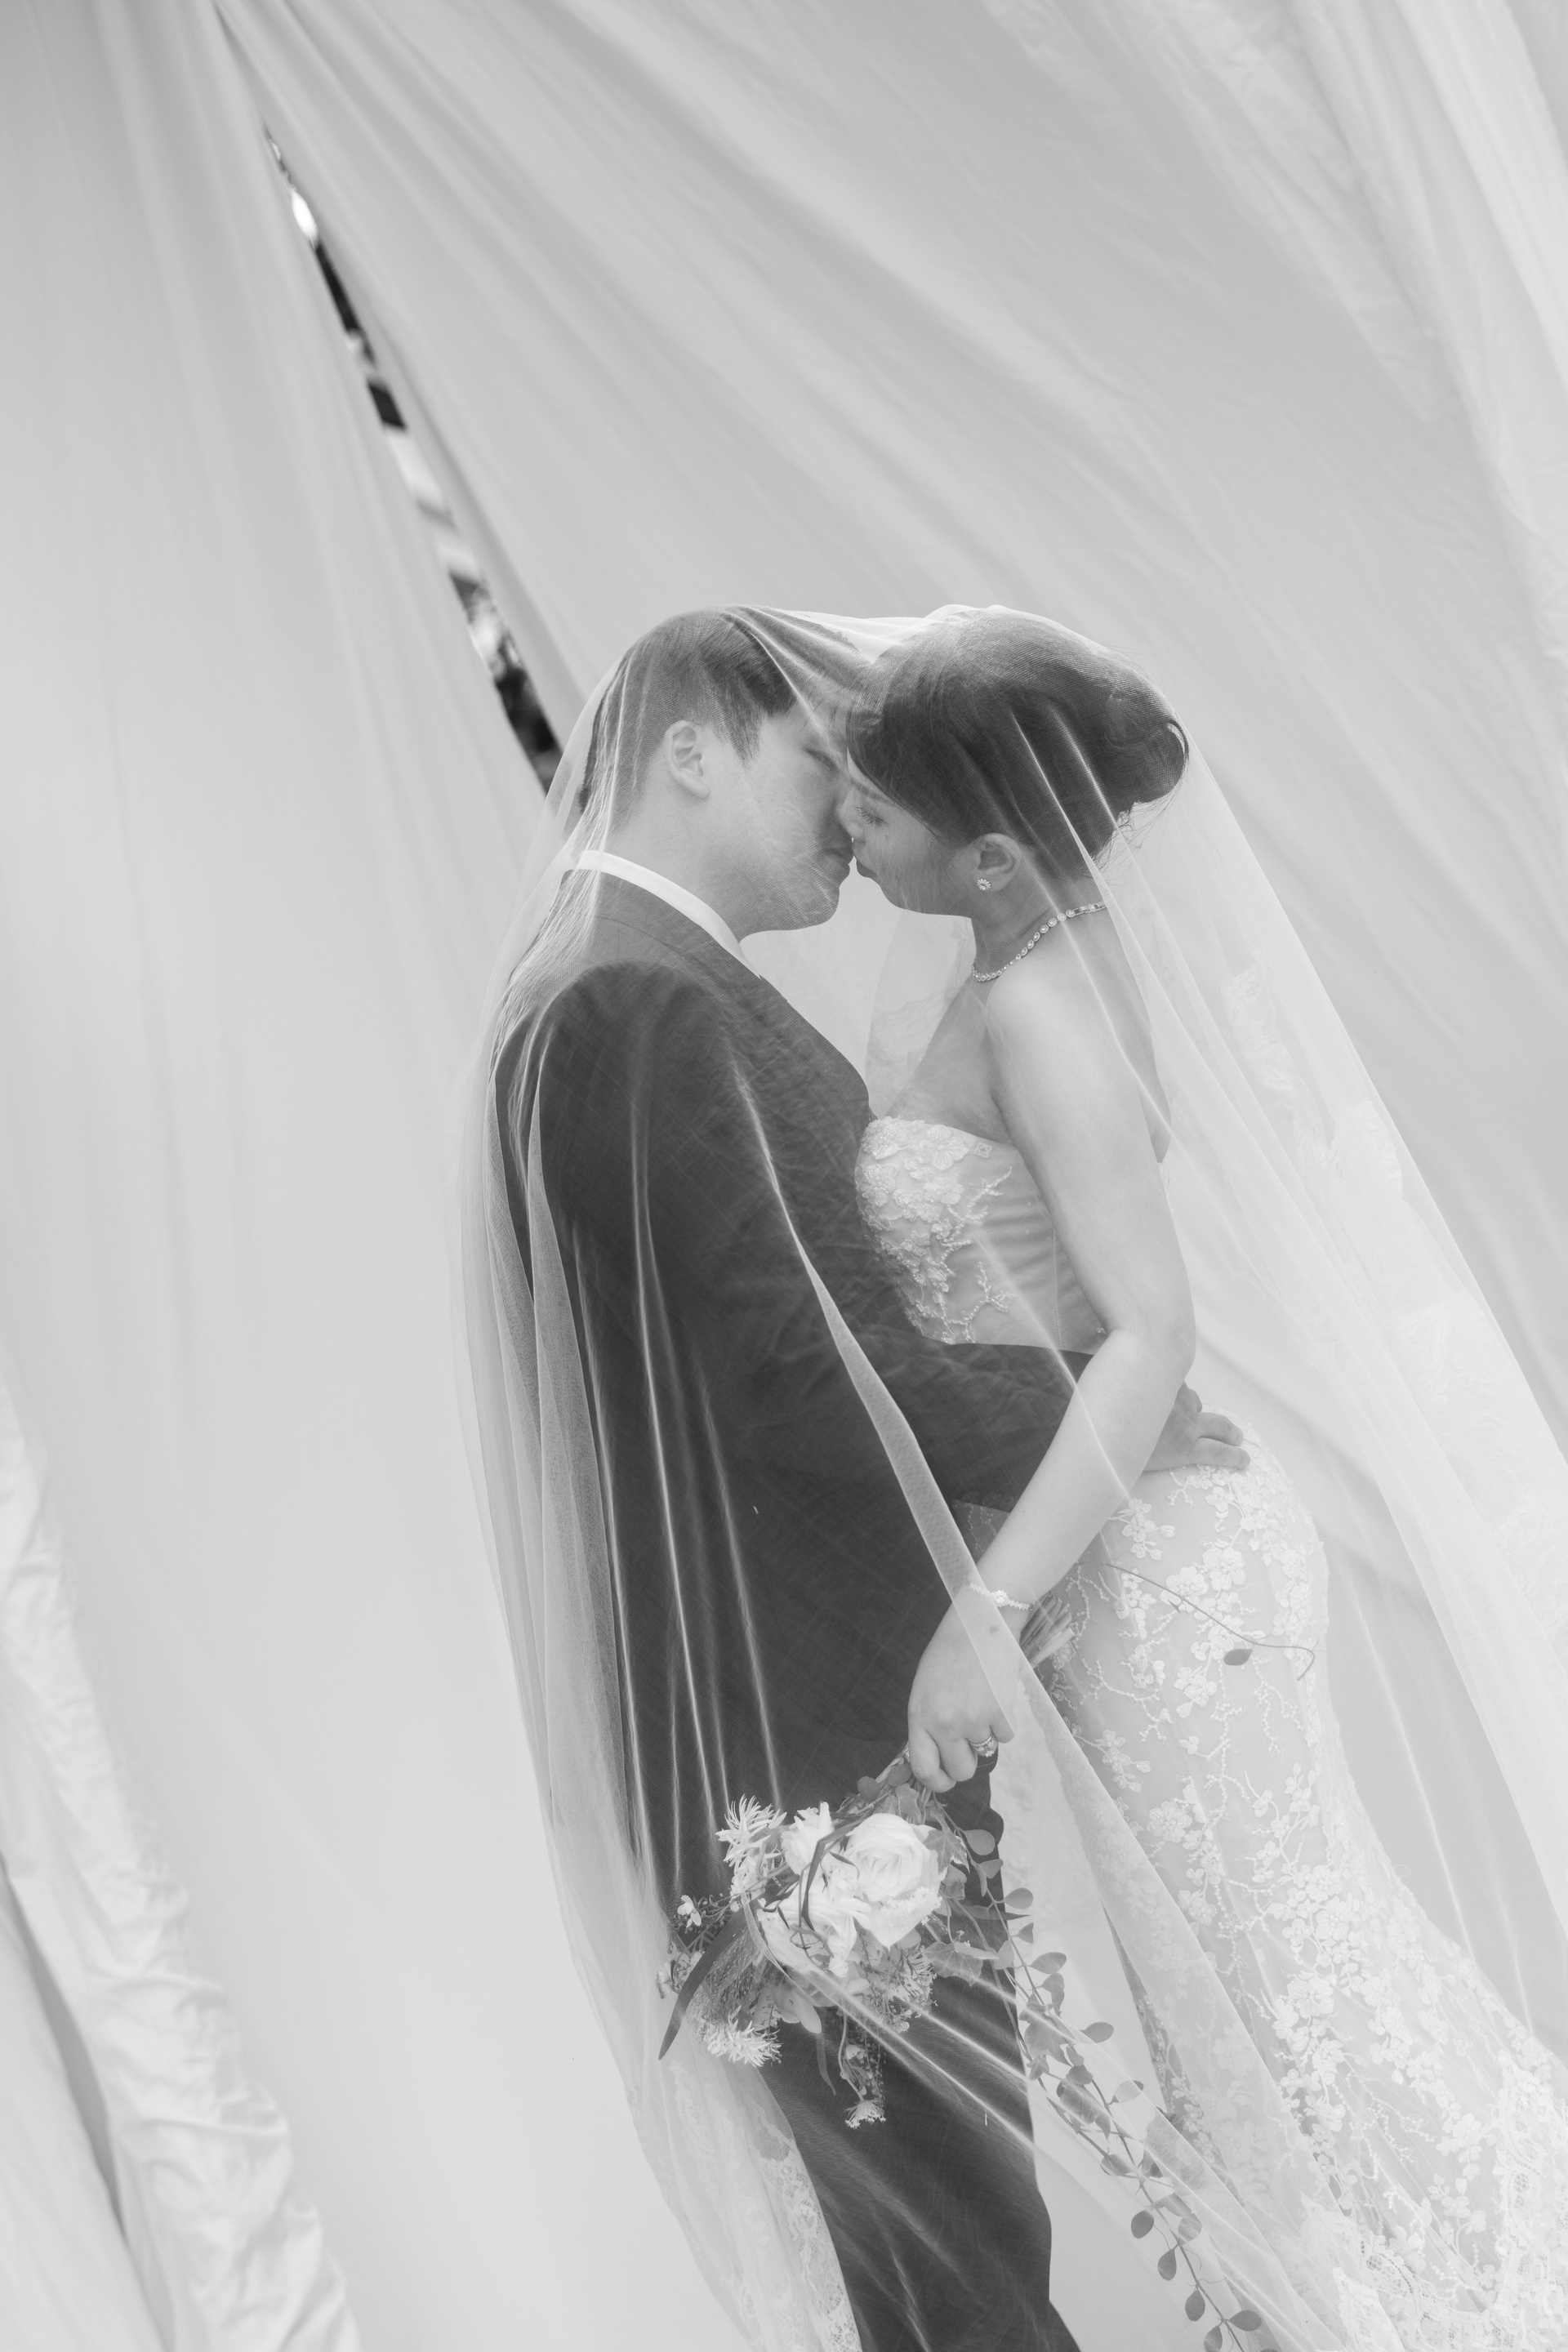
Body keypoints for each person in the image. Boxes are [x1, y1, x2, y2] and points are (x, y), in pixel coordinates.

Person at [466, 608, 1245, 2352]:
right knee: (958, 2270)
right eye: (818, 760)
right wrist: (1106, 1415)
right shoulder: (626, 1005)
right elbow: (790, 1376)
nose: (852, 804)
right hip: (802, 1753)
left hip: (834, 1718)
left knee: (958, 2255)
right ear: (692, 753)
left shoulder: (644, 985)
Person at [840, 606, 1568, 2347]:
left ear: (994, 855)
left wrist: (983, 1614)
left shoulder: (1041, 1007)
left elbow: (1150, 1333)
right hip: (1129, 1548)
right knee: (1241, 2032)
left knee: (1303, 2007)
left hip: (1164, 1575)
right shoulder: (1023, 956)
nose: (846, 822)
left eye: (878, 806)